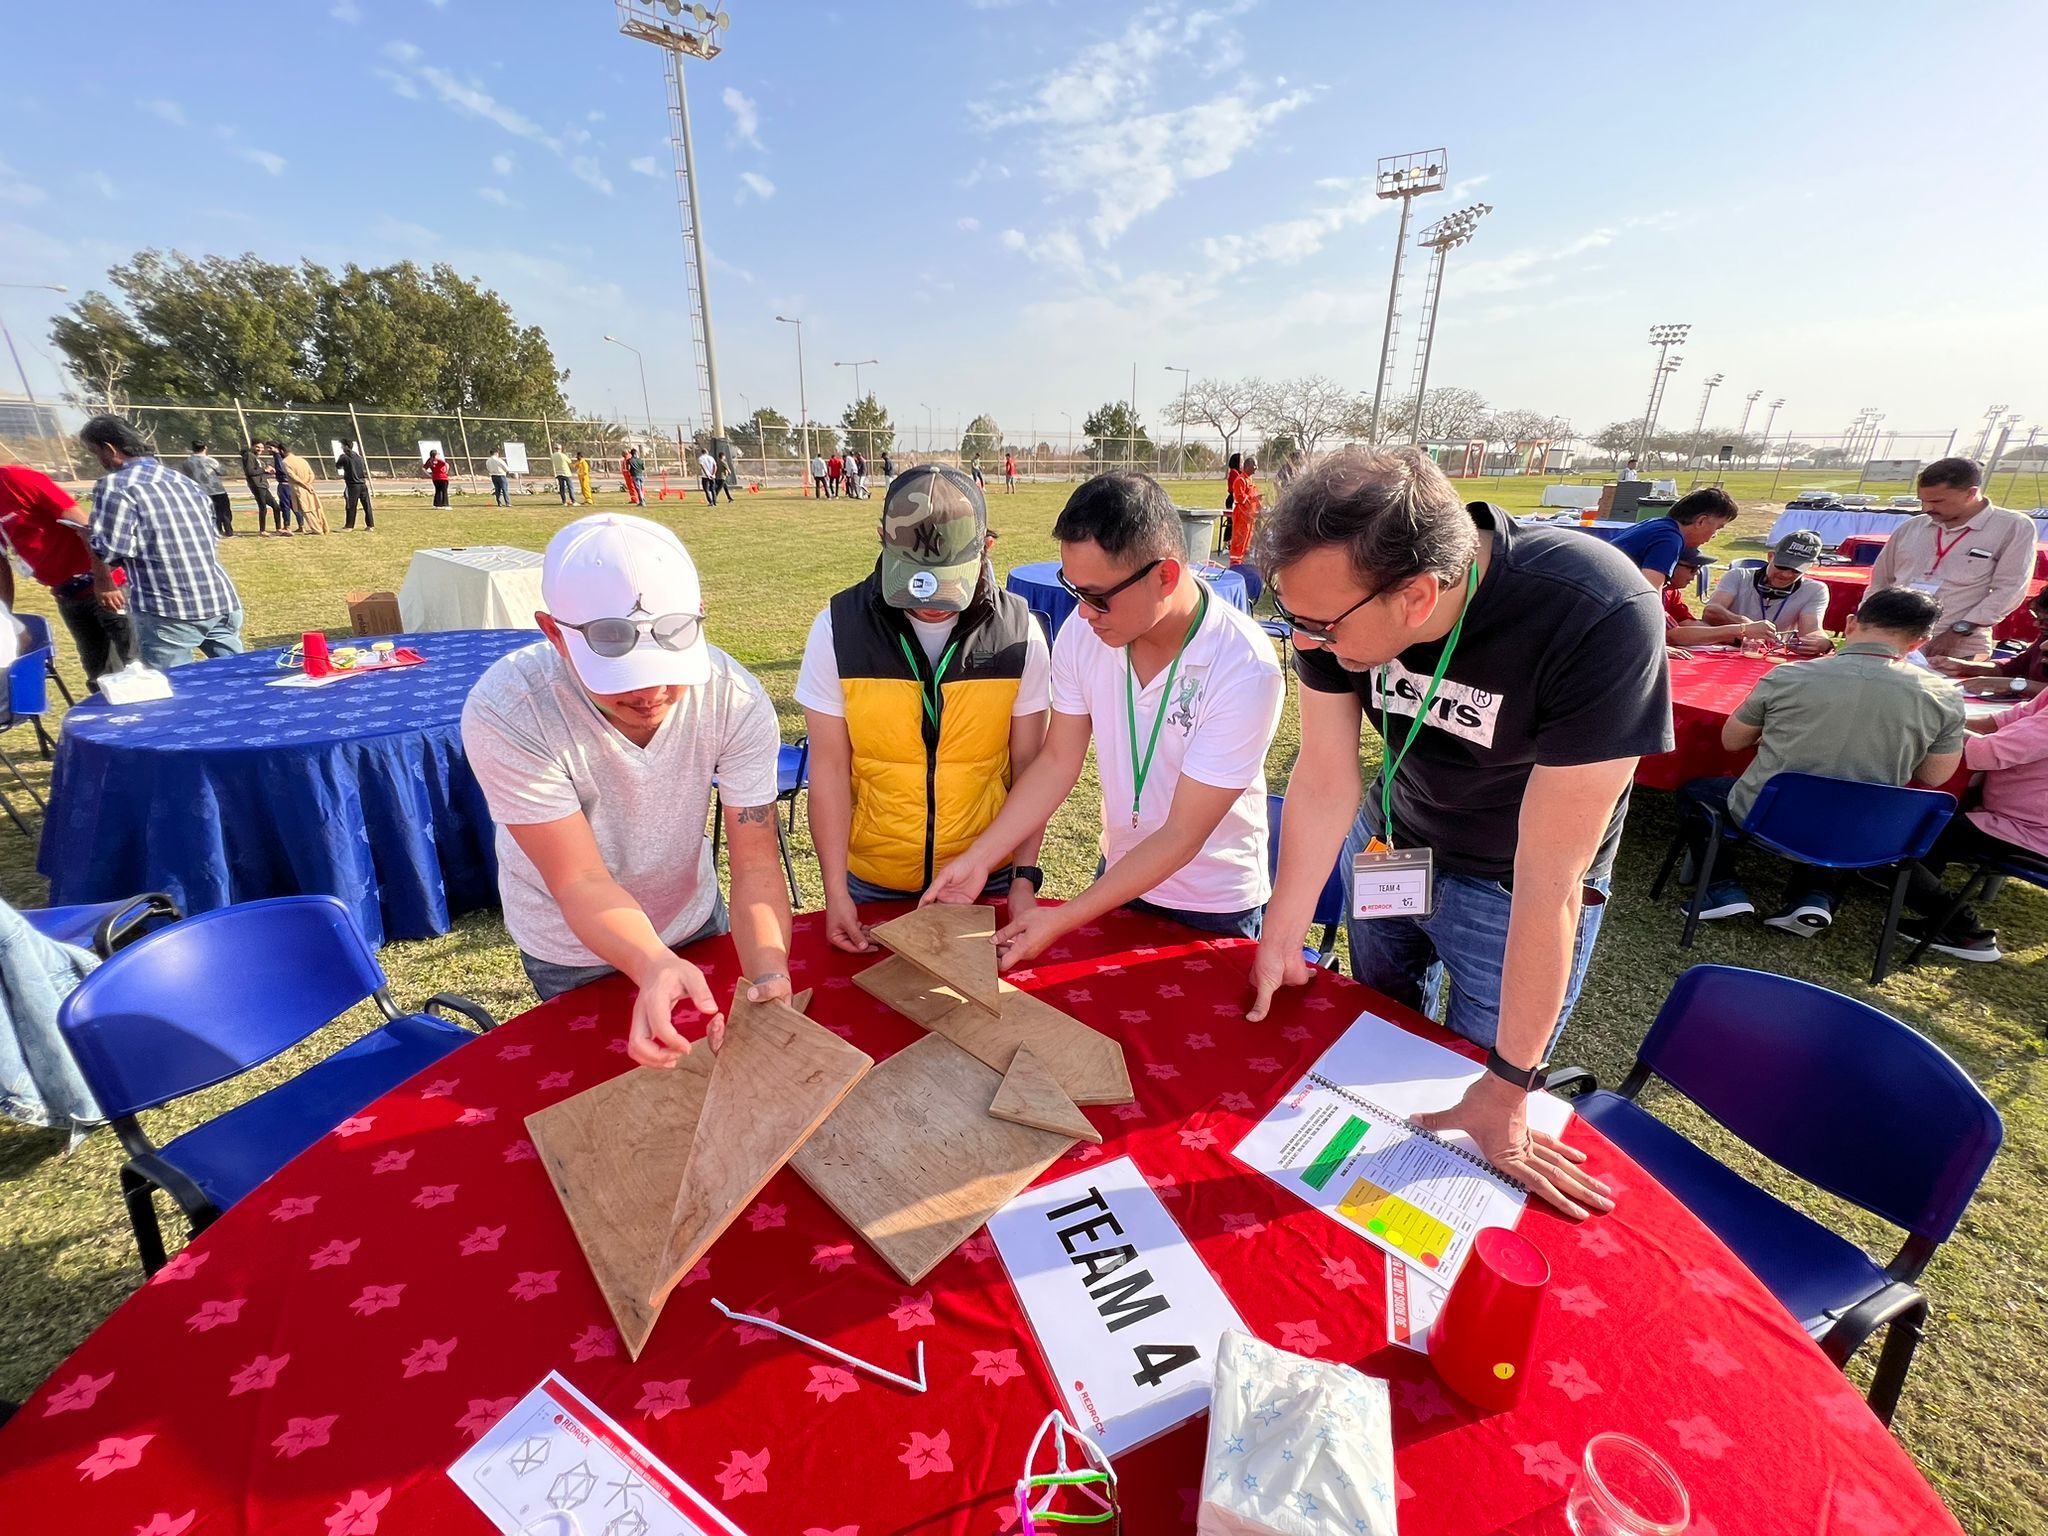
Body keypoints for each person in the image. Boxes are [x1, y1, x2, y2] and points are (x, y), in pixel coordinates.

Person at [1249, 448, 1671, 1221]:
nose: (1305, 644)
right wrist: (1283, 927)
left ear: (1415, 596)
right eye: (1291, 621)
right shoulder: (1335, 602)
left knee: (1473, 1084)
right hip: (1396, 841)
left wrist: (1511, 1086)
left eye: (1317, 626)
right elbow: (1325, 773)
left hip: (1511, 887)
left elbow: (1552, 878)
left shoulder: (1594, 613)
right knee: (1373, 1023)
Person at [460, 512, 793, 1061]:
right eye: (622, 677)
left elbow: (755, 864)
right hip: (575, 949)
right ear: (554, 634)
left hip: (693, 916)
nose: (651, 693)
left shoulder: (734, 697)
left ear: (698, 622)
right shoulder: (510, 710)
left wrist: (769, 972)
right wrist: (652, 962)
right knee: (609, 1088)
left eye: (669, 666)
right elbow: (580, 880)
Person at [924, 471, 1285, 966]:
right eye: (1074, 592)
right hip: (1117, 878)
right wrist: (980, 860)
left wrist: (1063, 917)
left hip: (1211, 903)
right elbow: (1056, 761)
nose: (1085, 612)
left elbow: (1183, 834)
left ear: (1166, 576)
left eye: (1098, 596)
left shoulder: (1244, 664)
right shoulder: (1083, 632)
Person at [798, 465, 1052, 951]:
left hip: (986, 876)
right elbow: (829, 769)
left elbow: (1030, 769)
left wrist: (1022, 881)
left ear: (985, 548)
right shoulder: (837, 628)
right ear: (882, 541)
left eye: (946, 582)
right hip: (872, 879)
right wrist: (835, 891)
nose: (932, 603)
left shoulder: (1021, 634)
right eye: (915, 581)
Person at [1682, 587, 1963, 935]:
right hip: (1868, 827)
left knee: (1698, 791)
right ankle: (1814, 896)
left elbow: (1732, 741)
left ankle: (1721, 886)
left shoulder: (1788, 676)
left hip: (1769, 815)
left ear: (1850, 623)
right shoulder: (1945, 696)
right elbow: (1935, 776)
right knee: (1839, 802)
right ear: (1919, 642)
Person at [60, 416, 244, 670]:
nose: (98, 461)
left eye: (95, 453)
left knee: (173, 690)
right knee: (238, 679)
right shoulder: (184, 482)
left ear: (110, 449)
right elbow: (212, 537)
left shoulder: (115, 485)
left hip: (168, 608)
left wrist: (89, 536)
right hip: (220, 599)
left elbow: (112, 548)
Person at [1898, 681, 2048, 962]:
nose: (2042, 645)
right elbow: (2004, 720)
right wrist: (1946, 715)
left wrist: (1927, 721)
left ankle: (1962, 929)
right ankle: (1909, 888)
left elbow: (1986, 752)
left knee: (1903, 836)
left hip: (2026, 830)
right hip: (2015, 818)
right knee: (1925, 829)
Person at [1868, 457, 2037, 662]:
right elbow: (1880, 582)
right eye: (1923, 500)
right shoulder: (1911, 527)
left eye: (1937, 501)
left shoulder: (2013, 527)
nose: (1927, 508)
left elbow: (2010, 589)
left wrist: (1959, 631)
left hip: (1958, 647)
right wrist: (1867, 626)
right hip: (1892, 639)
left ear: (1971, 493)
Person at [0, 464, 135, 687]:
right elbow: (2, 564)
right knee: (100, 678)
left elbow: (87, 528)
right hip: (67, 596)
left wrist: (106, 582)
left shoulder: (17, 480)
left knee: (136, 669)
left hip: (106, 587)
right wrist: (7, 620)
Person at [1701, 529, 1833, 654]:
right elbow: (1711, 611)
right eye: (1782, 566)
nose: (1786, 575)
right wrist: (1744, 625)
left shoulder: (1815, 590)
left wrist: (1823, 643)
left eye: (1796, 570)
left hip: (1773, 656)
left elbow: (1811, 630)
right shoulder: (1738, 576)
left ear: (1810, 566)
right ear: (1770, 557)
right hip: (1728, 648)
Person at [1607, 485, 1739, 590]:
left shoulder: (1657, 524)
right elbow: (1650, 594)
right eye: (1718, 528)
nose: (1715, 535)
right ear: (1701, 521)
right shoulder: (1669, 539)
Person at [1935, 588, 2048, 698]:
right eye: (2037, 618)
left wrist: (2013, 684)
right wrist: (1964, 667)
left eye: (2046, 621)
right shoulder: (2044, 638)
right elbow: (2014, 667)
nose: (2036, 625)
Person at [1660, 551, 1776, 655]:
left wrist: (1737, 638)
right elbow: (1673, 635)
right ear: (1671, 565)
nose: (1696, 574)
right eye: (1692, 568)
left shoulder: (1672, 591)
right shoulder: (1654, 592)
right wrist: (1742, 629)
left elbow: (1687, 623)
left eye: (1698, 568)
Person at [180, 440, 232, 538]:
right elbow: (223, 471)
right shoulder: (210, 460)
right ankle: (228, 531)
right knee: (224, 511)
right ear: (205, 448)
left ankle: (216, 531)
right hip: (216, 490)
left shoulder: (187, 462)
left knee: (209, 512)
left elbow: (185, 475)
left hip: (199, 491)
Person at [281, 446, 328, 533]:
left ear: (282, 451)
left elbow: (293, 476)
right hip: (309, 487)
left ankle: (317, 529)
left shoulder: (285, 462)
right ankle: (323, 527)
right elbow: (311, 474)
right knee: (314, 507)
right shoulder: (302, 460)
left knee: (306, 509)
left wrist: (305, 485)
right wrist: (308, 484)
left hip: (299, 488)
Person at [1227, 452, 1263, 564]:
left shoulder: (1251, 480)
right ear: (1248, 465)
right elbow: (1240, 497)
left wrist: (1259, 506)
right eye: (1254, 465)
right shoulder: (1240, 480)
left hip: (1250, 517)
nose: (1256, 468)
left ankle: (1242, 561)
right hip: (1242, 516)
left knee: (1247, 539)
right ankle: (1235, 562)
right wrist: (1253, 498)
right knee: (1239, 539)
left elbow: (1254, 497)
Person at [239, 440, 281, 534]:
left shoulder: (256, 457)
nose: (260, 449)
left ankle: (279, 528)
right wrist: (265, 470)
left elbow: (259, 471)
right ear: (252, 446)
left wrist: (269, 471)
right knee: (263, 508)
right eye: (258, 447)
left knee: (276, 507)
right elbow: (250, 472)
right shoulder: (249, 455)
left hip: (263, 485)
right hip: (257, 485)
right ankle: (262, 531)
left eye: (262, 447)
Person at [336, 438, 375, 529]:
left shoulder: (344, 457)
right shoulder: (358, 457)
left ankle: (349, 526)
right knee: (367, 505)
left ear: (346, 446)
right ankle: (370, 525)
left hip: (353, 485)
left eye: (342, 445)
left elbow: (338, 465)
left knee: (351, 505)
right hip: (363, 484)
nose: (341, 447)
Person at [270, 441, 302, 533]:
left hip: (284, 485)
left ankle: (287, 526)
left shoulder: (278, 457)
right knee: (294, 505)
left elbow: (282, 470)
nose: (268, 450)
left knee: (285, 505)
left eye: (270, 448)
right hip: (290, 484)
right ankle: (301, 525)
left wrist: (274, 471)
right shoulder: (288, 458)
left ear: (278, 449)